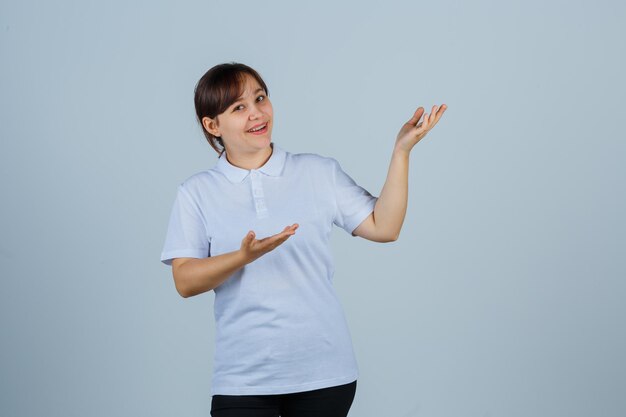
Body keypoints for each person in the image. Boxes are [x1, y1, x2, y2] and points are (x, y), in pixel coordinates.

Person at [160, 62, 446, 417]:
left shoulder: (317, 172)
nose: (257, 113)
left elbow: (384, 227)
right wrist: (242, 257)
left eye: (260, 98)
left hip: (325, 374)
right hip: (243, 379)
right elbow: (184, 281)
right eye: (239, 108)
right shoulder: (196, 192)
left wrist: (401, 152)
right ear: (212, 125)